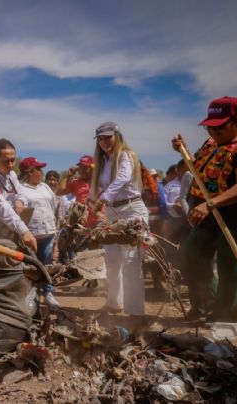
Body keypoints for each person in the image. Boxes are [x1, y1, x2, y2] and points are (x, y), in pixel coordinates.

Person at [173, 96, 237, 322]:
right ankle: (204, 304)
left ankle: (225, 317)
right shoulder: (210, 144)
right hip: (208, 210)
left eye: (220, 126)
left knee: (230, 267)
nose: (213, 132)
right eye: (210, 126)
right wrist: (183, 150)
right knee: (192, 257)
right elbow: (200, 169)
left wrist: (211, 204)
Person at [90, 122, 148, 317]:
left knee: (131, 262)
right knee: (112, 261)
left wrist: (103, 199)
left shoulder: (125, 155)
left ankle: (135, 312)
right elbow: (100, 188)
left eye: (108, 137)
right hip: (113, 213)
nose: (104, 142)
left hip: (132, 210)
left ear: (117, 135)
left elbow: (122, 178)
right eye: (100, 139)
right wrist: (97, 204)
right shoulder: (104, 162)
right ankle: (114, 303)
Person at [17, 156, 60, 307]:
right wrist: (18, 208)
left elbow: (54, 205)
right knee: (31, 268)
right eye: (38, 169)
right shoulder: (21, 189)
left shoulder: (45, 187)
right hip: (31, 235)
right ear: (30, 172)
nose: (42, 172)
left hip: (48, 232)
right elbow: (19, 206)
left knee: (47, 265)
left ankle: (48, 293)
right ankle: (31, 296)